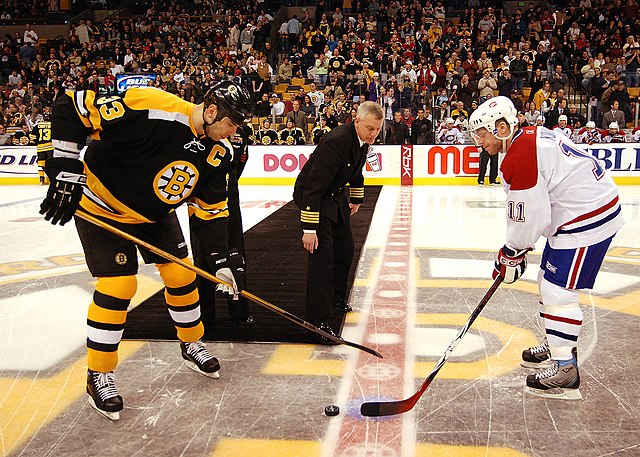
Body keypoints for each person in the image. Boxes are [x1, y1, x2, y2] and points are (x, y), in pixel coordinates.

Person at [39, 80, 253, 420]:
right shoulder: (154, 105)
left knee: (182, 273)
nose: (235, 130)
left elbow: (210, 211)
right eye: (232, 122)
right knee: (119, 285)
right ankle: (99, 374)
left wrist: (221, 262)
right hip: (100, 205)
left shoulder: (219, 152)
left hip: (153, 215)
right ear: (211, 111)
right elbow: (73, 105)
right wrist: (63, 169)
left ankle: (191, 342)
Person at [468, 96, 624, 400]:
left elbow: (528, 217)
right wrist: (517, 250)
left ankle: (565, 368)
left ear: (501, 127)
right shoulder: (525, 141)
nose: (478, 141)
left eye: (482, 133)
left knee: (558, 291)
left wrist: (512, 253)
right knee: (546, 282)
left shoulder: (521, 154)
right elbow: (534, 212)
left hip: (587, 217)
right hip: (578, 212)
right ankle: (556, 342)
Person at [293, 101, 383, 342]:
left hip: (333, 196)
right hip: (315, 197)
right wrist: (309, 229)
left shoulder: (362, 141)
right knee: (322, 257)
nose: (373, 134)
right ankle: (317, 321)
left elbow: (356, 171)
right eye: (369, 128)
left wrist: (356, 199)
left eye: (377, 129)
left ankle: (335, 299)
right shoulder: (336, 141)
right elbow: (313, 185)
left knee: (345, 250)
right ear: (356, 121)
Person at [191, 123, 256, 328]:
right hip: (201, 200)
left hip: (229, 197)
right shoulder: (200, 130)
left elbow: (239, 160)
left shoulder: (240, 133)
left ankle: (239, 311)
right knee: (202, 257)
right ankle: (204, 313)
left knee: (236, 253)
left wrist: (230, 180)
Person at [32, 110, 52, 185]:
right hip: (50, 146)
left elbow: (32, 137)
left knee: (41, 163)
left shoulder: (37, 125)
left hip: (40, 147)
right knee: (51, 162)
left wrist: (37, 143)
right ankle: (51, 178)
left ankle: (41, 179)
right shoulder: (53, 125)